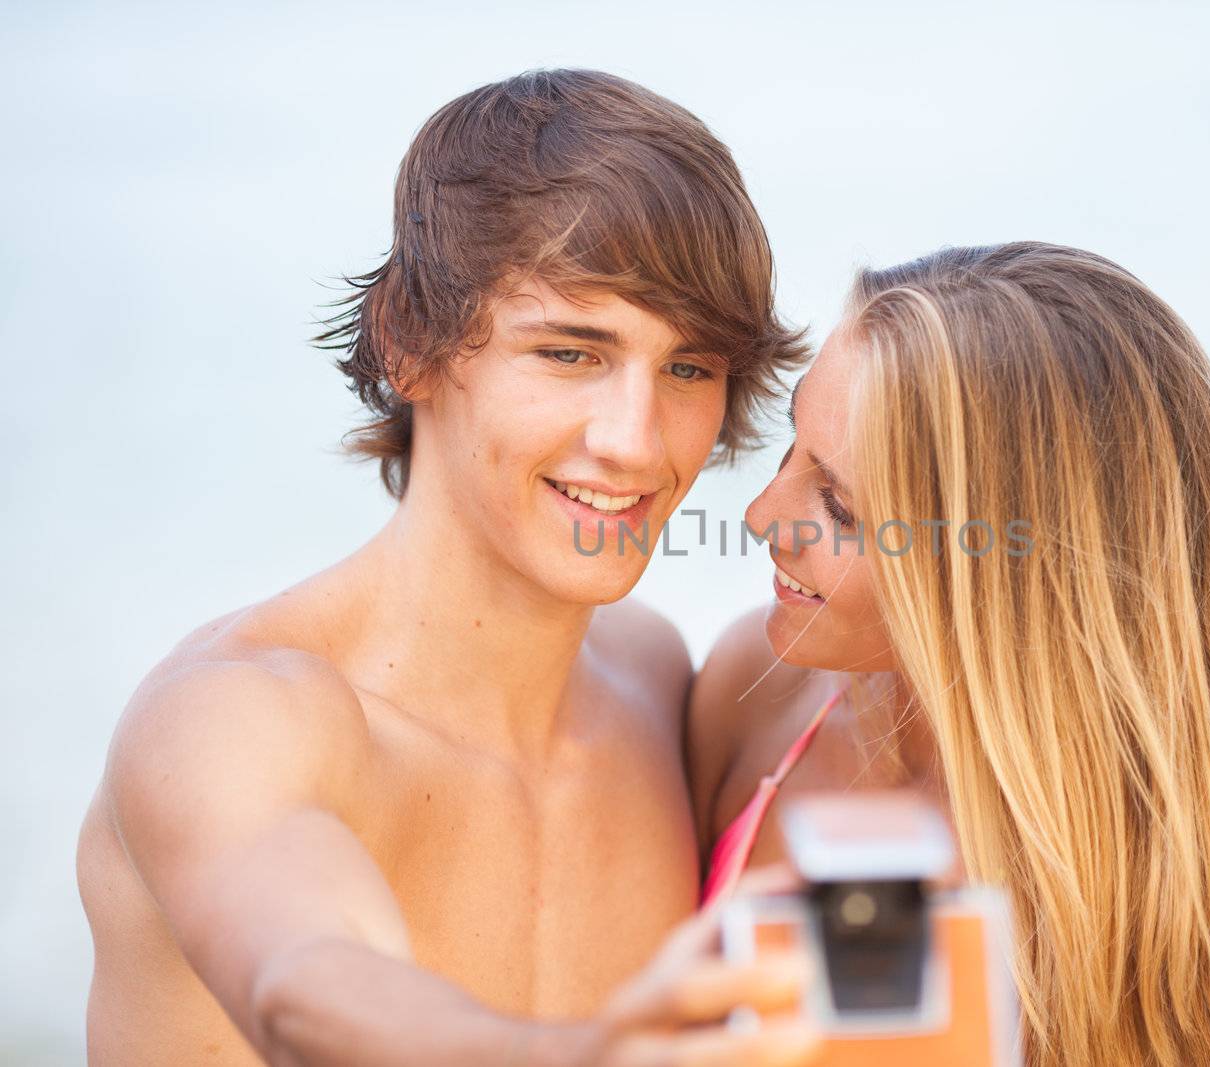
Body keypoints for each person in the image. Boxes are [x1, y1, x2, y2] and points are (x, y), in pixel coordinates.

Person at [77, 69, 820, 1066]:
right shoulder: (237, 717)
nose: (637, 442)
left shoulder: (652, 682)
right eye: (570, 352)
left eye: (688, 368)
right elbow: (301, 976)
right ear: (408, 344)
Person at [689, 243, 1210, 1067]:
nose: (760, 515)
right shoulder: (757, 684)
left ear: (1003, 574)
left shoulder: (1097, 881)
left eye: (839, 506)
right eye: (790, 450)